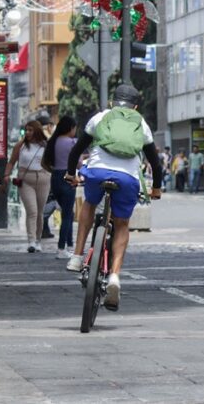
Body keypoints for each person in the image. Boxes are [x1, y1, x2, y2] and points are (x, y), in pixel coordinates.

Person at [65, 83, 163, 311]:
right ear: (135, 105)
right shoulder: (141, 123)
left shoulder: (100, 117)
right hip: (127, 178)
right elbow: (155, 163)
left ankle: (77, 256)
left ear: (112, 102)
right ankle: (115, 276)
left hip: (97, 172)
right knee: (122, 224)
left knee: (89, 203)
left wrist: (71, 174)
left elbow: (76, 150)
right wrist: (156, 188)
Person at [4, 120, 51, 253]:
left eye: (30, 130)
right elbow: (11, 161)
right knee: (32, 211)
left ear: (37, 131)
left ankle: (38, 241)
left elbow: (52, 162)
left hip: (43, 178)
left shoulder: (45, 145)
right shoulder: (21, 145)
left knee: (40, 213)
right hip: (25, 180)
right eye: (26, 130)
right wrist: (7, 175)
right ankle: (31, 241)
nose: (28, 133)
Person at [42, 116, 79, 258]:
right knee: (67, 214)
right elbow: (79, 163)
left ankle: (69, 245)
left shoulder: (53, 141)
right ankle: (62, 248)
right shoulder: (72, 142)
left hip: (55, 177)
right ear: (70, 128)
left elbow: (45, 162)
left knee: (67, 213)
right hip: (68, 177)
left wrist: (55, 172)